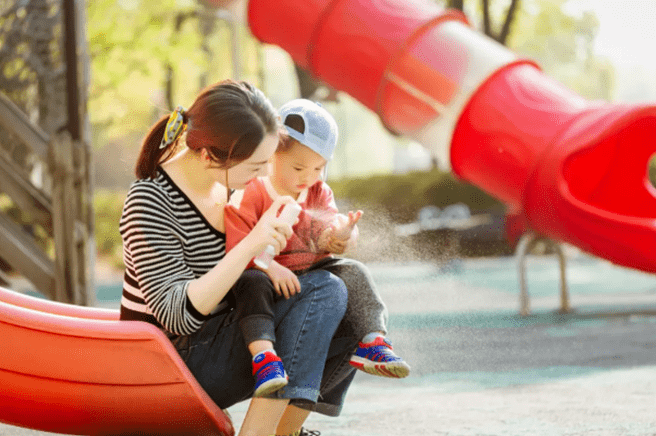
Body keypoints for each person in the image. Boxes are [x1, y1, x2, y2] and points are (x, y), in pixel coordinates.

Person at [119, 80, 358, 436]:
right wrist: (252, 244)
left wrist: (331, 238)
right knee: (325, 291)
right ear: (208, 156)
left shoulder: (231, 183)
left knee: (347, 291)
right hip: (169, 361)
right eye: (256, 165)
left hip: (224, 334)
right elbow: (176, 315)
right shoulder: (151, 201)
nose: (264, 175)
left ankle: (283, 432)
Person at [225, 99, 410, 392]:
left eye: (318, 169)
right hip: (267, 277)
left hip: (310, 274)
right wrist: (270, 267)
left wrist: (342, 235)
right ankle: (264, 358)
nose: (307, 178)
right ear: (273, 153)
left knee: (354, 271)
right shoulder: (255, 191)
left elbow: (327, 234)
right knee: (250, 283)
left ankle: (372, 340)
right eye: (299, 167)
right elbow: (237, 244)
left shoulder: (317, 192)